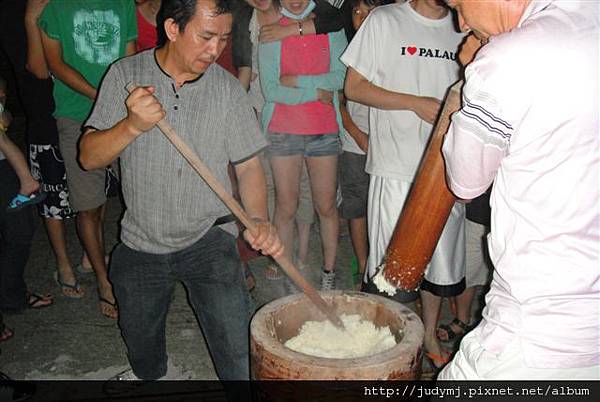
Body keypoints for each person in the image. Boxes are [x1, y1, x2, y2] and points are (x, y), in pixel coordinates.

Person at [79, 0, 283, 381]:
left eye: (223, 38)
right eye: (206, 37)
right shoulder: (126, 75)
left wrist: (257, 219)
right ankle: (150, 372)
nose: (215, 49)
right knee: (143, 352)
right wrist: (131, 125)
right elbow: (88, 157)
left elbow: (249, 166)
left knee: (240, 355)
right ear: (172, 28)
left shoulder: (226, 88)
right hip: (142, 241)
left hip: (209, 237)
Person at [438, 0, 599, 380]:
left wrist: (474, 72)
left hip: (538, 325)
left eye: (459, 6)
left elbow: (465, 182)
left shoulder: (507, 59)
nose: (461, 24)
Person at [341, 0, 465, 369]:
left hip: (446, 166)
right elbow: (354, 88)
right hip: (395, 165)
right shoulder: (385, 20)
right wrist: (414, 103)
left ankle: (427, 335)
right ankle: (388, 347)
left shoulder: (464, 23)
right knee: (391, 273)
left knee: (438, 268)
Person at [38, 0, 138, 318]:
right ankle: (103, 281)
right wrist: (100, 95)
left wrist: (123, 100)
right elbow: (54, 64)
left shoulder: (123, 4)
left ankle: (141, 269)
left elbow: (130, 59)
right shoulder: (55, 8)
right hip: (75, 115)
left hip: (121, 115)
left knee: (139, 195)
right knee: (88, 205)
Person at [233, 0, 344, 281]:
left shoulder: (330, 26)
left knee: (327, 205)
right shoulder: (271, 31)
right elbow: (271, 90)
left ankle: (329, 272)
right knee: (285, 206)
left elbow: (341, 77)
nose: (295, 1)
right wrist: (316, 92)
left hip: (323, 129)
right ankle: (287, 272)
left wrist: (296, 81)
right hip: (282, 131)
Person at [338, 0, 387, 290]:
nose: (362, 18)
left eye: (369, 12)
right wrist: (357, 135)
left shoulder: (391, 47)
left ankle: (385, 271)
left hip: (387, 144)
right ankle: (362, 265)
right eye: (357, 13)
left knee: (385, 209)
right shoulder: (347, 50)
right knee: (356, 206)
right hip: (354, 144)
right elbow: (338, 101)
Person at [0, 83, 53, 314]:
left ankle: (12, 295)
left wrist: (4, 113)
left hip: (4, 166)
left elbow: (6, 116)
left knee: (19, 233)